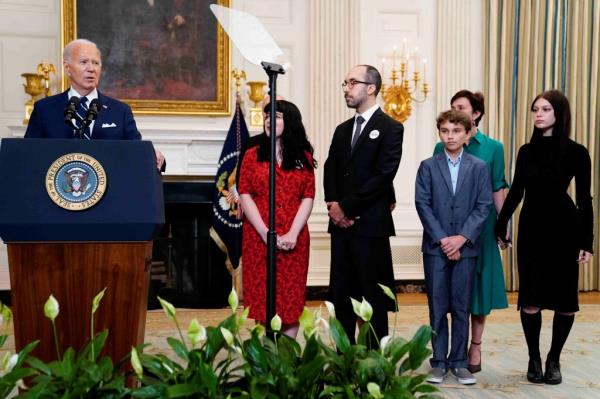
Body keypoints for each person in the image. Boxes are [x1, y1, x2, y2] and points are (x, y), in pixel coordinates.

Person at [496, 90, 593, 385]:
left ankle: (554, 359)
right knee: (531, 299)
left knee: (565, 301)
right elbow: (516, 193)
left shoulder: (578, 152)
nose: (538, 114)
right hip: (532, 230)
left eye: (545, 109)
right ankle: (534, 357)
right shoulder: (526, 151)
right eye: (535, 109)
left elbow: (584, 200)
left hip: (565, 229)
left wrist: (587, 242)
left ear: (558, 114)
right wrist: (500, 225)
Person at [324, 64, 403, 344]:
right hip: (341, 228)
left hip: (370, 226)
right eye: (344, 83)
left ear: (370, 88)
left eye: (352, 83)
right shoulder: (342, 129)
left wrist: (347, 207)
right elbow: (330, 168)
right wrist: (333, 205)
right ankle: (344, 360)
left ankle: (372, 362)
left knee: (372, 299)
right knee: (343, 298)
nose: (346, 88)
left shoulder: (391, 128)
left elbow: (383, 175)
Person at [433, 90, 509, 373]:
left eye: (461, 108)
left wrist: (503, 225)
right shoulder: (441, 147)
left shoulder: (493, 147)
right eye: (452, 107)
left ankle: (474, 346)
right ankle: (450, 350)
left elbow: (497, 188)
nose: (456, 112)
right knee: (449, 290)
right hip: (449, 228)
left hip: (481, 226)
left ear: (475, 113)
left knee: (478, 288)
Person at [416, 109, 492, 386]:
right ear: (439, 133)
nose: (450, 136)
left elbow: (483, 206)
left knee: (461, 306)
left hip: (466, 248)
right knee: (437, 305)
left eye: (456, 131)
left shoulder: (479, 167)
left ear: (467, 133)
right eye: (445, 131)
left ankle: (459, 362)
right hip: (436, 248)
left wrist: (461, 238)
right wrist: (444, 240)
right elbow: (422, 204)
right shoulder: (427, 166)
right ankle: (438, 361)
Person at [24, 38, 165, 171]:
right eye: (84, 62)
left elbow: (136, 151)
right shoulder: (45, 109)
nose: (91, 68)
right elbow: (28, 155)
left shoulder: (120, 111)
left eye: (96, 63)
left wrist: (153, 156)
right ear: (67, 68)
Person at [238, 100, 315, 339]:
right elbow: (244, 193)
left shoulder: (304, 157)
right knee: (264, 302)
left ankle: (287, 361)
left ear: (290, 120)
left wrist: (292, 233)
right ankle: (268, 362)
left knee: (291, 303)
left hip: (295, 238)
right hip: (258, 239)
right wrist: (264, 232)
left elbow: (308, 196)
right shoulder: (252, 154)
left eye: (277, 116)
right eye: (267, 116)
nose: (270, 121)